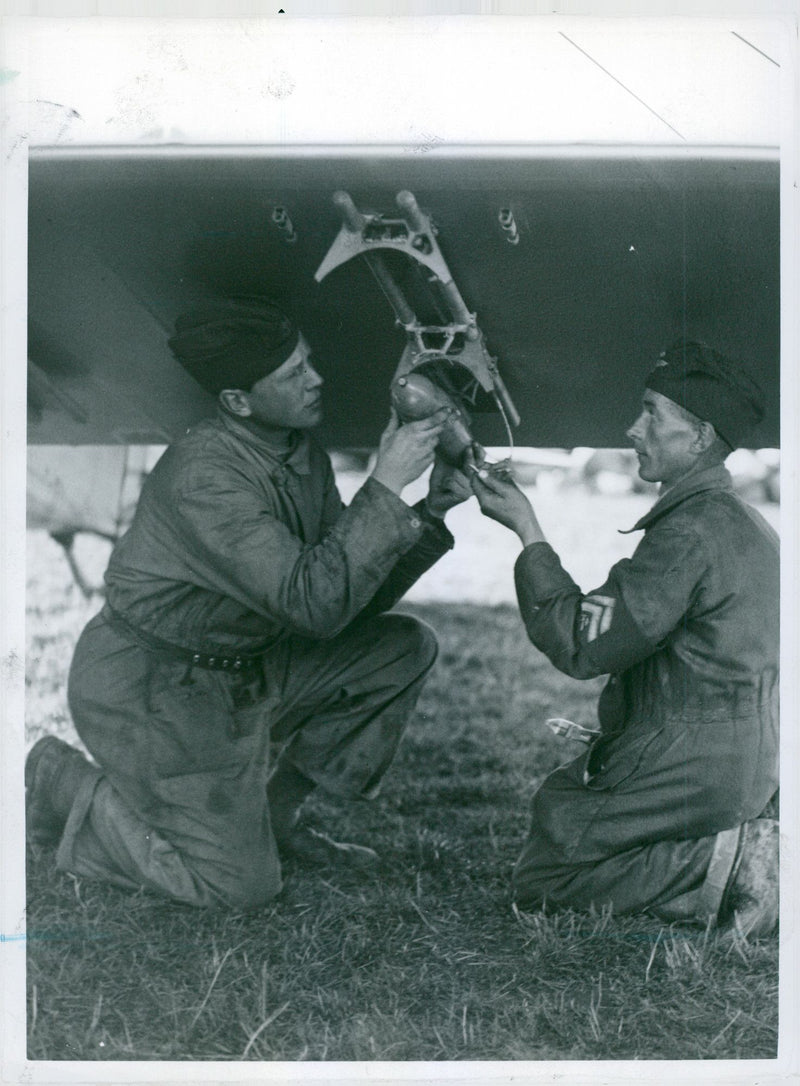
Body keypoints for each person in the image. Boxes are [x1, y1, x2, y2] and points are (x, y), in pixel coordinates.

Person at [26, 296, 473, 910]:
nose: (317, 379)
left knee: (402, 647)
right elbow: (314, 604)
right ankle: (64, 782)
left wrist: (431, 510)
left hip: (241, 669)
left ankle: (275, 817)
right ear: (238, 402)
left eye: (308, 362)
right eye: (293, 375)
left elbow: (342, 597)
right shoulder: (204, 473)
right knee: (238, 889)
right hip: (156, 692)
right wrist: (386, 484)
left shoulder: (297, 452)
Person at [470, 340, 779, 935]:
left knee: (549, 873)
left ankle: (736, 864)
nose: (632, 429)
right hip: (738, 758)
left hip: (692, 756)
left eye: (651, 414)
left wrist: (527, 531)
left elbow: (583, 648)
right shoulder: (740, 521)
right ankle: (732, 847)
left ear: (699, 436)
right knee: (563, 807)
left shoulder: (690, 532)